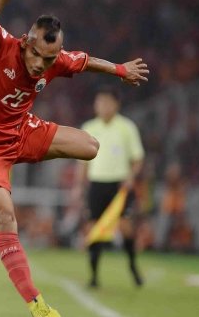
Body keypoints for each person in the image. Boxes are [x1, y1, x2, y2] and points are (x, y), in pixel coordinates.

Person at [0, 0, 149, 317]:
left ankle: (21, 159)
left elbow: (85, 60)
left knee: (91, 146)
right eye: (41, 57)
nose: (45, 65)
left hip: (22, 132)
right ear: (27, 43)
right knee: (4, 214)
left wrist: (121, 70)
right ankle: (37, 304)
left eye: (52, 58)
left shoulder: (54, 59)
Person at [73, 86, 145, 288]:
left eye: (107, 102)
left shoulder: (126, 127)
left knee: (126, 228)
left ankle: (132, 266)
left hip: (120, 186)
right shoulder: (89, 127)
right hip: (97, 184)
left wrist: (131, 177)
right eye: (99, 102)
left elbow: (138, 159)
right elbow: (82, 162)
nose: (103, 106)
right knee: (94, 229)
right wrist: (79, 185)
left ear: (116, 104)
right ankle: (94, 276)